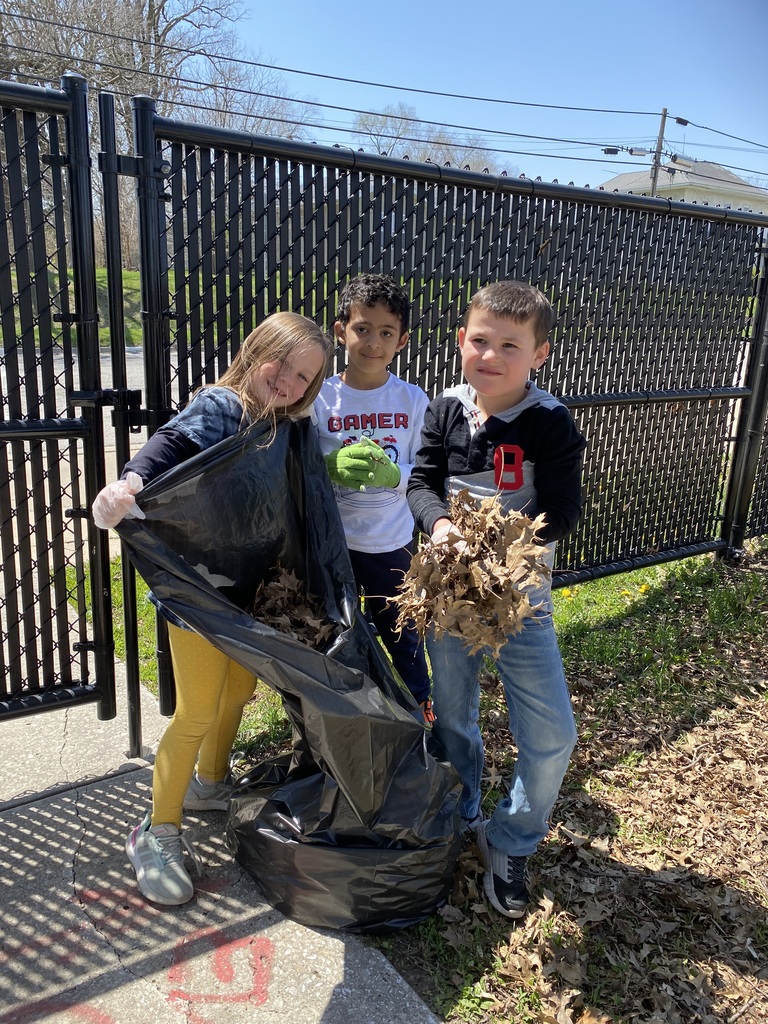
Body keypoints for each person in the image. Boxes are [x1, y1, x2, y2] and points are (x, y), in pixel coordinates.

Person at [92, 312, 332, 906]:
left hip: (247, 593)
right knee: (197, 709)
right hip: (200, 595)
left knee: (238, 695)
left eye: (306, 378)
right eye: (284, 364)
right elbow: (169, 444)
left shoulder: (281, 427)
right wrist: (128, 484)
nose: (290, 382)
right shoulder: (222, 407)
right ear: (256, 351)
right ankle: (157, 831)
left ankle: (211, 782)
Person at [406, 281, 587, 919]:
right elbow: (421, 483)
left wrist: (504, 549)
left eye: (510, 345)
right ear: (461, 341)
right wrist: (440, 526)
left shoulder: (549, 420)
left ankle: (511, 839)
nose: (491, 355)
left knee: (552, 731)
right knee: (452, 712)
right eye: (480, 340)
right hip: (448, 590)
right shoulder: (446, 407)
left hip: (519, 596)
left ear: (538, 354)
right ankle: (463, 811)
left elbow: (562, 509)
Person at [314, 274, 433, 722]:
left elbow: (426, 473)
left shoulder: (412, 399)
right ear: (340, 329)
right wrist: (326, 470)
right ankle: (345, 717)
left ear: (401, 341)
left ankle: (420, 710)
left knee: (402, 634)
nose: (373, 342)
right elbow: (299, 469)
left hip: (392, 543)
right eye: (363, 328)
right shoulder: (319, 398)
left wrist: (393, 473)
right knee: (336, 633)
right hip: (334, 545)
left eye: (386, 333)